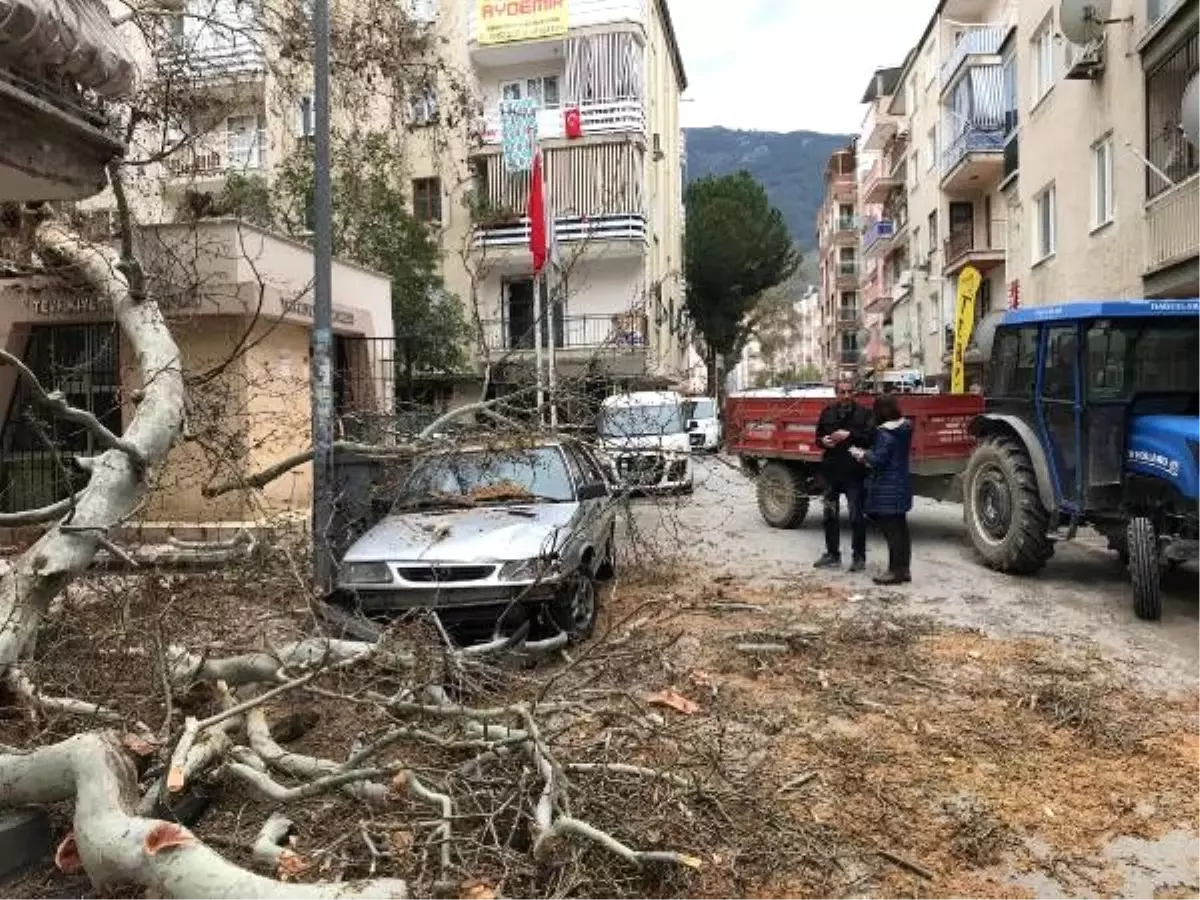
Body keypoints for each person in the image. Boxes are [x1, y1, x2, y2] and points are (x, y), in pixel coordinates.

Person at [850, 393, 913, 585]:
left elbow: (879, 460)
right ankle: (904, 570)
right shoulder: (904, 428)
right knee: (901, 531)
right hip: (900, 485)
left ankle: (895, 572)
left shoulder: (885, 433)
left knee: (892, 532)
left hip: (887, 487)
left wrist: (862, 454)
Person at [813, 380, 874, 572]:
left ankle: (859, 558)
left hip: (854, 474)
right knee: (829, 515)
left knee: (857, 517)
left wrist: (849, 435)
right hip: (831, 472)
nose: (846, 395)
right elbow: (818, 437)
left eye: (849, 391)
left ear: (854, 393)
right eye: (842, 392)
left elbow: (870, 438)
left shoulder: (864, 413)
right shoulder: (827, 412)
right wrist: (823, 441)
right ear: (836, 393)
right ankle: (832, 555)